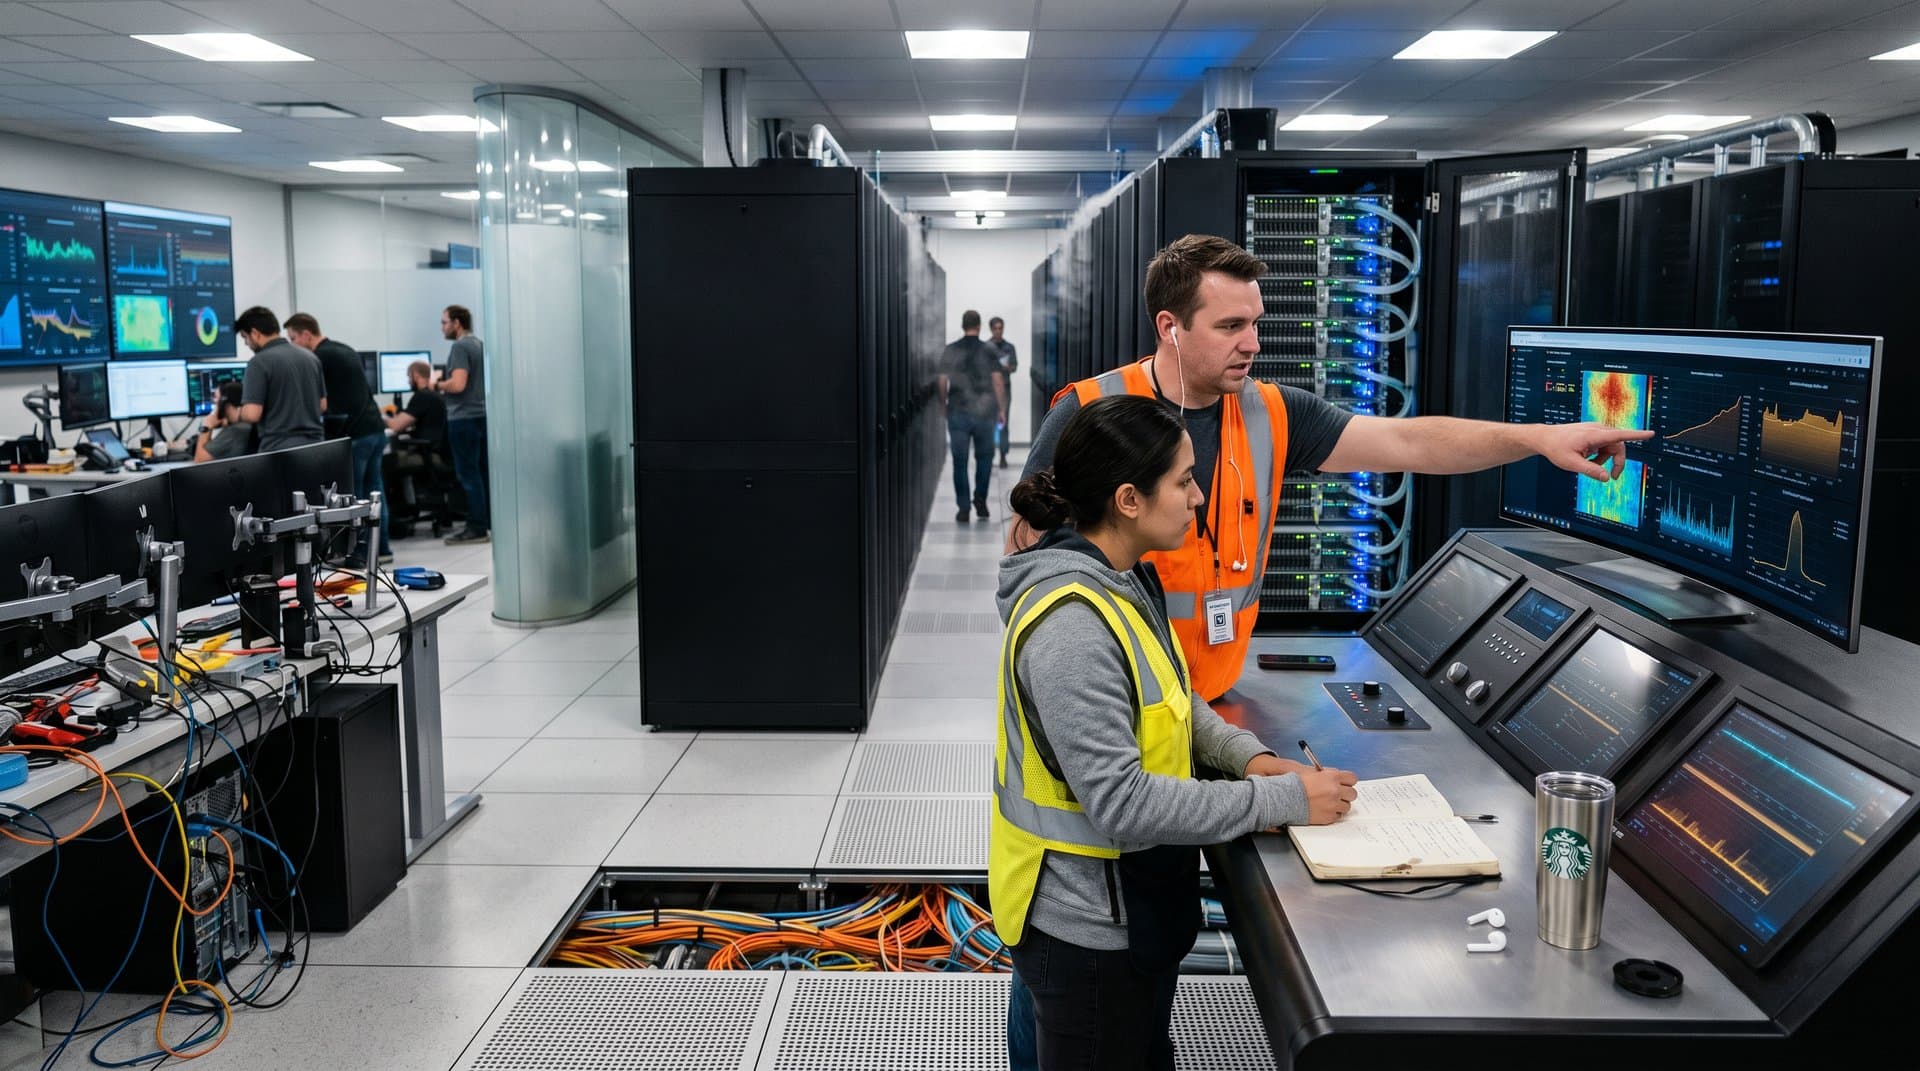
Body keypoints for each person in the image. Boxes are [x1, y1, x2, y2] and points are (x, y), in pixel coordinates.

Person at [1007, 233, 1652, 701]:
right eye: (1230, 325)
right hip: (1120, 709)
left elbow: (1410, 444)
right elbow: (1025, 564)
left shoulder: (1272, 414)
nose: (1253, 343)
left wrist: (1538, 439)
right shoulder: (1091, 411)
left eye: (1256, 323)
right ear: (1170, 327)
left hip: (1214, 706)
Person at [994, 394, 1358, 1070]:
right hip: (1087, 933)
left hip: (1130, 909)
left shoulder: (1126, 580)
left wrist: (1249, 760)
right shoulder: (1072, 624)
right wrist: (1283, 803)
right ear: (1129, 499)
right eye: (1186, 479)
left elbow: (1174, 699)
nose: (1199, 496)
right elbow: (1124, 806)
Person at [286, 312, 390, 564]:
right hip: (374, 428)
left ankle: (360, 552)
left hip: (354, 434)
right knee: (376, 491)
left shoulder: (318, 358)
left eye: (292, 338)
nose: (292, 345)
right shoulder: (345, 349)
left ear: (306, 334)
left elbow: (321, 404)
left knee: (356, 496)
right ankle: (382, 548)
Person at [939, 309, 1006, 524]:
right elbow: (997, 381)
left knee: (959, 461)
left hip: (958, 411)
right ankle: (980, 500)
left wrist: (944, 404)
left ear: (963, 325)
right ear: (979, 326)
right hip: (985, 413)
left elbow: (941, 381)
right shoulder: (989, 350)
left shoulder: (950, 350)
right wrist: (1002, 409)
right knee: (985, 458)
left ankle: (963, 508)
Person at [236, 305, 326, 452]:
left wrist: (237, 413)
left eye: (245, 337)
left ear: (255, 333)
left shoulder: (258, 362)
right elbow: (322, 405)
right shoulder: (311, 357)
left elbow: (252, 414)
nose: (246, 343)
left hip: (279, 451)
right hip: (315, 448)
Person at [437, 304, 490, 545]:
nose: (443, 327)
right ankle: (486, 522)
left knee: (468, 475)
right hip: (481, 416)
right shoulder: (478, 344)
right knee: (481, 474)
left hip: (463, 418)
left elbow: (458, 384)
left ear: (457, 323)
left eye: (445, 322)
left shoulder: (459, 346)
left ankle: (476, 527)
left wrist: (436, 384)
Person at [385, 360, 446, 443]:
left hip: (425, 451)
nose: (408, 381)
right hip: (436, 449)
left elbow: (396, 426)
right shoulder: (436, 394)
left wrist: (382, 417)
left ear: (416, 376)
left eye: (409, 377)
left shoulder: (422, 396)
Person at [193, 382, 252, 462]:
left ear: (224, 403)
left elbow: (199, 460)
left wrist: (206, 426)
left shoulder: (234, 431)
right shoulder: (246, 424)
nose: (214, 402)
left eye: (216, 398)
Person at [988, 316, 1018, 469]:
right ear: (991, 329)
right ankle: (989, 454)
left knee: (1003, 423)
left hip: (1005, 389)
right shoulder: (985, 347)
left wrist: (1006, 367)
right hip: (988, 391)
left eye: (1001, 328)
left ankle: (1003, 456)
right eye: (996, 328)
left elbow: (1014, 366)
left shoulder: (1009, 347)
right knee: (989, 423)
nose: (998, 331)